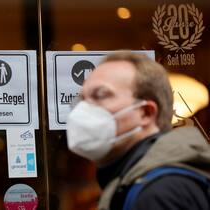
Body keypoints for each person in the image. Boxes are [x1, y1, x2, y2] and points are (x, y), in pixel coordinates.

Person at [66, 51, 210, 210]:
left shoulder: (160, 193)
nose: (83, 109)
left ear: (146, 112)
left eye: (100, 95)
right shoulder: (134, 181)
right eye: (82, 100)